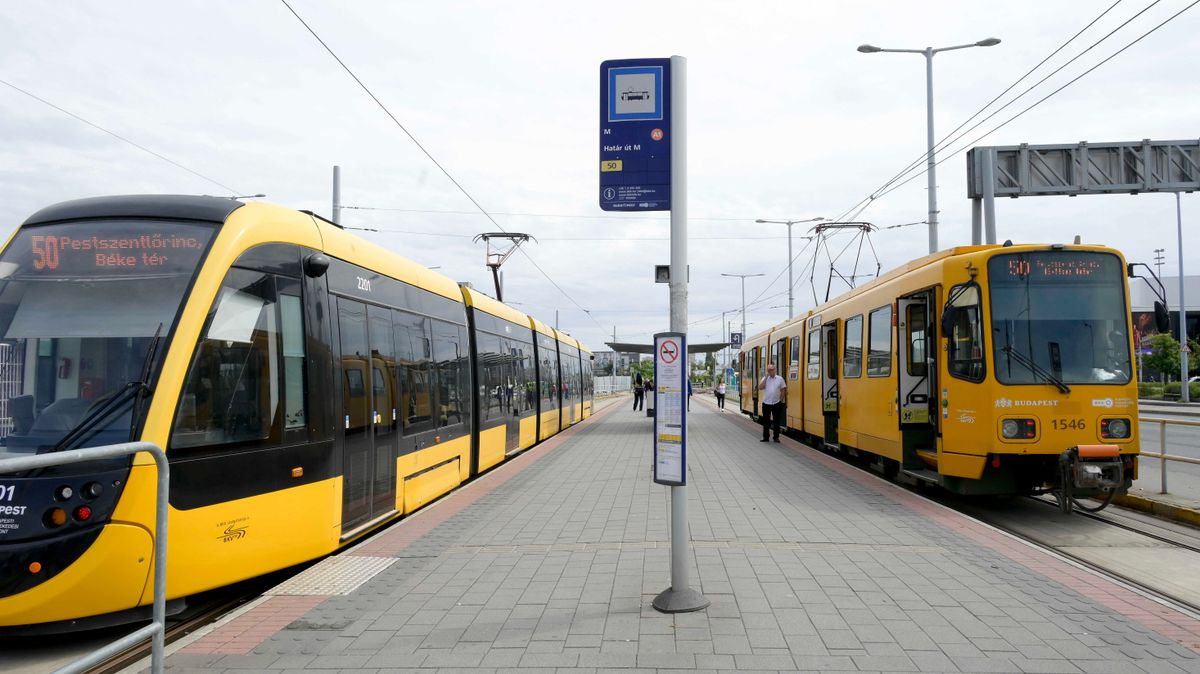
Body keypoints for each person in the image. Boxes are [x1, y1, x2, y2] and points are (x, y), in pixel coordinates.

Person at [758, 363, 786, 442]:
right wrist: (766, 377)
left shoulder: (780, 379)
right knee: (766, 421)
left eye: (772, 369)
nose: (770, 371)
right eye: (769, 370)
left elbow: (783, 389)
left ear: (775, 370)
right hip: (766, 403)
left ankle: (776, 437)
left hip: (776, 403)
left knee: (776, 421)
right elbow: (760, 387)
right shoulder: (765, 378)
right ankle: (765, 437)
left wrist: (780, 400)